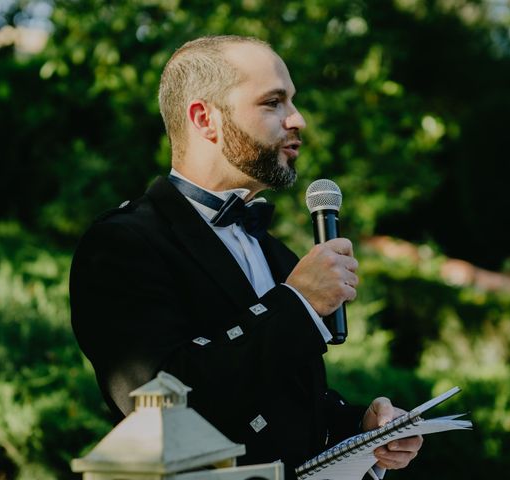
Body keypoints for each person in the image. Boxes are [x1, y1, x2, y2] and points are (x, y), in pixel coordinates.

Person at [69, 35, 422, 479]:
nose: (299, 120)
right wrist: (297, 303)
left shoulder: (274, 250)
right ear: (205, 119)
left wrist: (359, 430)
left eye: (292, 101)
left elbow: (278, 406)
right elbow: (163, 404)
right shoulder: (123, 244)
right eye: (274, 102)